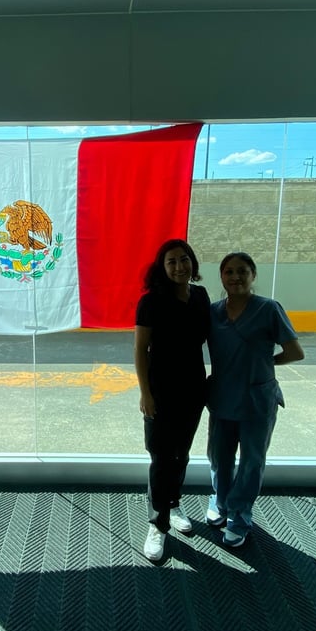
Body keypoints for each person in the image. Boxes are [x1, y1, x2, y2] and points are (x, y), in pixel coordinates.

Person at [205, 252, 304, 548]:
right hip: (223, 396)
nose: (235, 277)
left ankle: (239, 516)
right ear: (221, 277)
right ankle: (221, 501)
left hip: (256, 400)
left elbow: (295, 352)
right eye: (229, 272)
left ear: (253, 275)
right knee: (219, 457)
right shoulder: (212, 312)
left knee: (251, 462)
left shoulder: (269, 309)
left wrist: (265, 362)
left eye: (242, 271)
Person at [134, 239, 210, 561]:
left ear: (192, 263)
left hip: (192, 389)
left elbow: (212, 341)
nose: (179, 266)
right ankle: (158, 523)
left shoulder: (201, 296)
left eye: (184, 259)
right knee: (161, 457)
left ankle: (174, 503)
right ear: (162, 268)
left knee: (181, 454)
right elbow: (140, 350)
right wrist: (145, 393)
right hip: (160, 392)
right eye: (172, 262)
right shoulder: (151, 302)